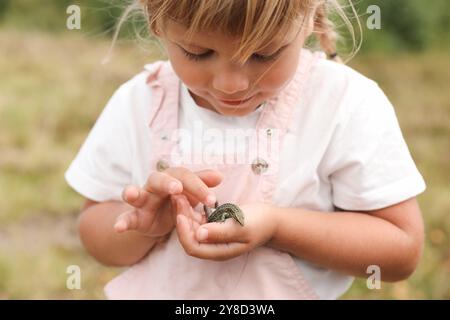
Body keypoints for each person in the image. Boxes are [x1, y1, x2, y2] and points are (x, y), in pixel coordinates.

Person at [65, 0, 426, 299]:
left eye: (264, 54)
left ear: (309, 21)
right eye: (198, 52)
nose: (232, 84)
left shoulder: (344, 103)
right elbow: (95, 236)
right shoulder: (139, 102)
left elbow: (400, 252)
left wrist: (277, 226)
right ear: (157, 25)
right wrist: (146, 226)